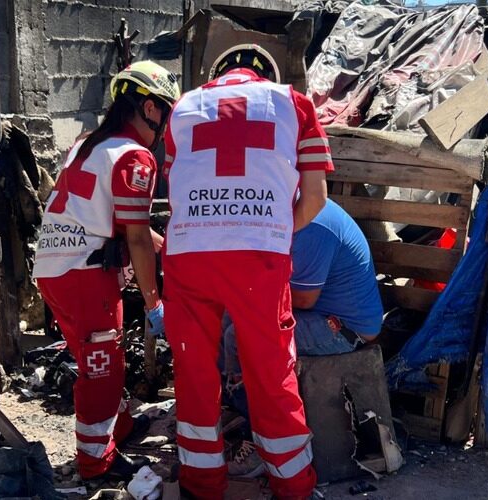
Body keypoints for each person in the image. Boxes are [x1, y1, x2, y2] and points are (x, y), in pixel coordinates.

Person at [161, 44, 332, 499]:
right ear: (267, 75)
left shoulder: (182, 108)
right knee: (271, 372)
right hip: (257, 256)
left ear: (217, 75)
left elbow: (178, 185)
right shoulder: (294, 104)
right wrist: (272, 228)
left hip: (188, 252)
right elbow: (315, 196)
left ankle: (201, 485)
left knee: (195, 371)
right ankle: (293, 487)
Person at [33, 61, 179, 480]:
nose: (166, 124)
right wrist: (155, 303)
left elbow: (116, 222)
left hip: (54, 269)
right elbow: (135, 240)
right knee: (103, 367)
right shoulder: (136, 159)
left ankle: (121, 427)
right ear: (150, 108)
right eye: (165, 112)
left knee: (94, 355)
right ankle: (96, 462)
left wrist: (167, 250)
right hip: (86, 274)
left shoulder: (87, 144)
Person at [220, 199, 384, 474]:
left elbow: (305, 298)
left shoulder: (313, 226)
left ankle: (259, 440)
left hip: (341, 328)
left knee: (241, 336)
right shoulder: (289, 213)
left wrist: (247, 295)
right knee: (228, 315)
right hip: (319, 313)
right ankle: (237, 403)